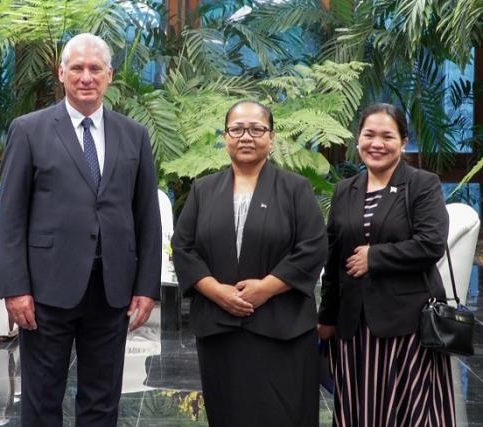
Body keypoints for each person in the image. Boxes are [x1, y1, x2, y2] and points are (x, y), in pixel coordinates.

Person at [0, 33, 161, 426]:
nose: (86, 77)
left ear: (109, 76)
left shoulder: (133, 134)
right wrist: (15, 288)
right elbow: (12, 216)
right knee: (41, 399)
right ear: (61, 73)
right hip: (46, 290)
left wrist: (146, 288)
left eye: (94, 69)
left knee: (103, 400)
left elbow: (146, 216)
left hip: (112, 290)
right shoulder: (28, 130)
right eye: (77, 68)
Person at [172, 100, 327, 426]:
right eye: (237, 129)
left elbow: (313, 247)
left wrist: (266, 288)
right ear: (225, 137)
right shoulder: (203, 190)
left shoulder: (295, 189)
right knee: (229, 412)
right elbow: (183, 247)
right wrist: (216, 291)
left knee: (282, 413)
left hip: (281, 327)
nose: (246, 136)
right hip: (220, 328)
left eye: (257, 129)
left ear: (271, 138)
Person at [317, 103, 455, 426]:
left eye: (387, 136)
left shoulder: (422, 184)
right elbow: (334, 257)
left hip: (405, 328)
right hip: (353, 328)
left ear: (404, 141)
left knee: (407, 413)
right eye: (369, 134)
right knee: (358, 411)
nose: (376, 143)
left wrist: (374, 257)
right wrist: (327, 316)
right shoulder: (344, 191)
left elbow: (431, 243)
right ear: (358, 139)